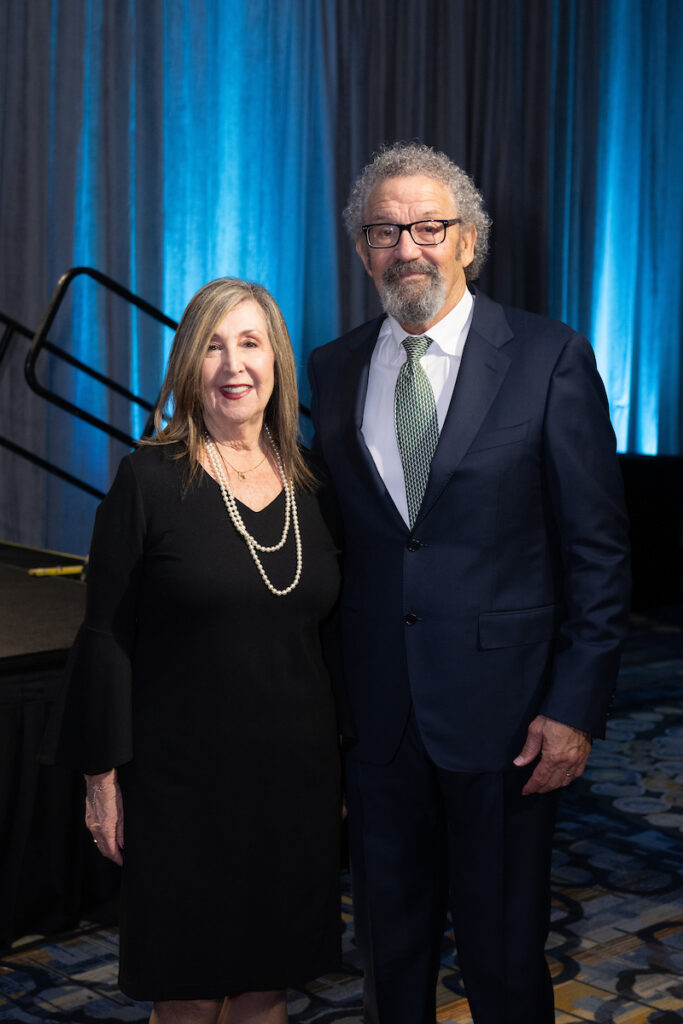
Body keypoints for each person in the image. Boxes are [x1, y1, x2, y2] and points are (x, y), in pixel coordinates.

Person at [308, 142, 631, 1024]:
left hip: (509, 721)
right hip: (376, 724)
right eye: (383, 230)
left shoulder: (546, 356)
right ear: (362, 248)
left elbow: (597, 554)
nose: (406, 247)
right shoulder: (330, 370)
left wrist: (574, 707)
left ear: (468, 240)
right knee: (389, 951)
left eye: (427, 226)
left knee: (501, 957)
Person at [46, 278, 342, 1024]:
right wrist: (101, 780)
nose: (232, 364)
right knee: (187, 993)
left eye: (249, 342)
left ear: (275, 360)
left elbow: (331, 637)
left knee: (266, 988)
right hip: (180, 788)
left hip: (295, 783)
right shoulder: (147, 479)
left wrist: (347, 762)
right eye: (212, 345)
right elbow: (105, 634)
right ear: (187, 364)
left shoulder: (315, 482)